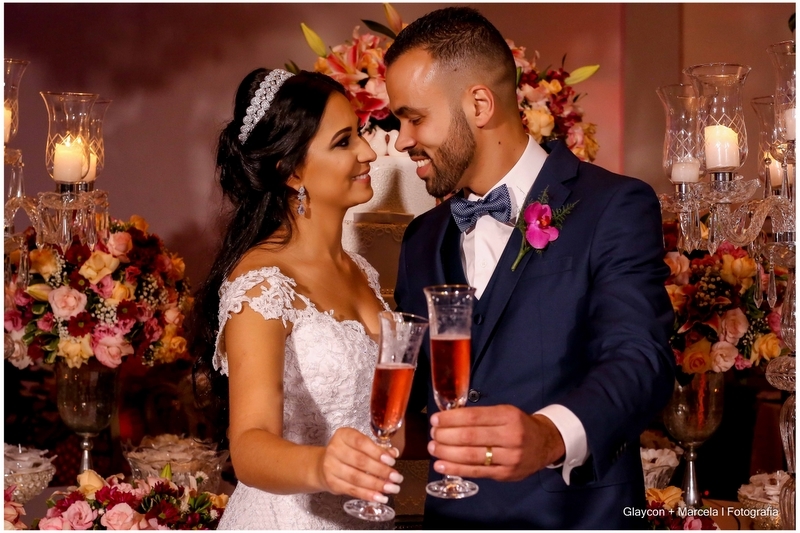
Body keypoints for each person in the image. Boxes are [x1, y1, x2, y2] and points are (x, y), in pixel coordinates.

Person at [385, 7, 675, 529]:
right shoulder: (421, 240)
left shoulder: (613, 206)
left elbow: (640, 362)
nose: (401, 140)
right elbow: (416, 401)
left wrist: (549, 435)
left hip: (576, 518)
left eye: (414, 117)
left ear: (478, 103)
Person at [191, 68, 405, 529]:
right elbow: (249, 444)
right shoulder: (263, 283)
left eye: (360, 133)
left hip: (368, 517)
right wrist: (322, 466)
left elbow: (384, 424)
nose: (368, 151)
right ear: (291, 171)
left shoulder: (362, 273)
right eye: (344, 141)